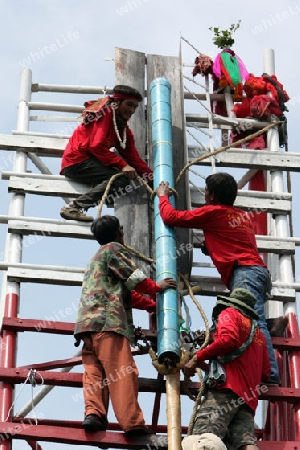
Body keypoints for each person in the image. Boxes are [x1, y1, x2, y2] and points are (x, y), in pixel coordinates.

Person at [156, 172, 281, 385]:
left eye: (206, 191)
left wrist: (162, 196)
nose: (204, 194)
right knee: (249, 320)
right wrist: (211, 246)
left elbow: (171, 218)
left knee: (253, 320)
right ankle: (272, 326)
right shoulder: (241, 216)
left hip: (245, 273)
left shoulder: (213, 212)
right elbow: (234, 241)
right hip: (257, 272)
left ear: (212, 196)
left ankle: (270, 374)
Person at [73, 215, 176, 436]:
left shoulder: (95, 260)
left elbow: (126, 293)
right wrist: (157, 287)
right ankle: (132, 423)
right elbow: (135, 279)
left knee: (94, 372)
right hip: (108, 323)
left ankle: (94, 414)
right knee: (121, 371)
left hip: (87, 326)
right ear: (118, 232)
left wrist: (150, 305)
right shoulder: (113, 250)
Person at [183, 288, 271, 450]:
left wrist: (197, 357)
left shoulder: (230, 313)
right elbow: (266, 372)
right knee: (244, 443)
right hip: (248, 399)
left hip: (226, 391)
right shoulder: (259, 334)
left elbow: (227, 340)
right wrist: (201, 363)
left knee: (203, 436)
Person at [60, 85, 153, 222]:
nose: (132, 110)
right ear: (117, 102)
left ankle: (78, 205)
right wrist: (122, 165)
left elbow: (134, 159)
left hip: (87, 163)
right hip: (76, 162)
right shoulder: (106, 113)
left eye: (135, 107)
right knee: (119, 179)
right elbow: (96, 146)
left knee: (121, 178)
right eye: (129, 104)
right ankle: (74, 207)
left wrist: (153, 179)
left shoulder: (123, 131)